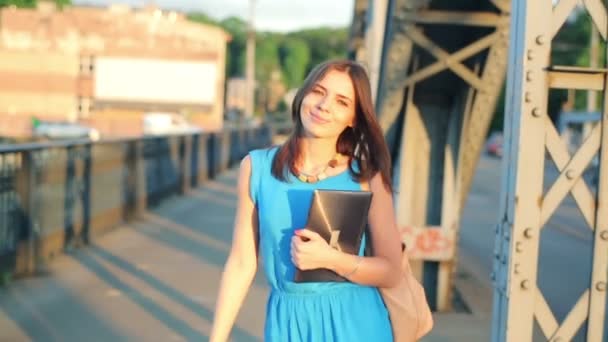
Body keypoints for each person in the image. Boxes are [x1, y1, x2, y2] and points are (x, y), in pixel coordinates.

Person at [210, 60, 403, 342]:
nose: (324, 105)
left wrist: (332, 259)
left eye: (341, 101)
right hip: (288, 322)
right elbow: (241, 262)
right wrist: (217, 338)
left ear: (354, 118)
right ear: (302, 96)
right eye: (318, 91)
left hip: (356, 323)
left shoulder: (367, 176)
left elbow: (391, 271)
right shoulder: (256, 168)